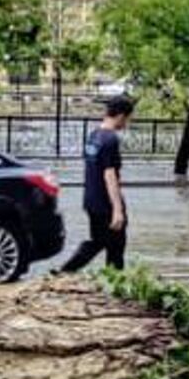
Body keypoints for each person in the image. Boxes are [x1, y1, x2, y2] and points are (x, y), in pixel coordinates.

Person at [60, 96, 133, 273]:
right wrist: (117, 209)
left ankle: (66, 271)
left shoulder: (94, 136)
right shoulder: (110, 140)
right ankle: (114, 283)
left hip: (91, 200)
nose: (128, 123)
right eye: (129, 118)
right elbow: (110, 175)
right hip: (105, 203)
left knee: (99, 241)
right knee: (116, 247)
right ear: (121, 116)